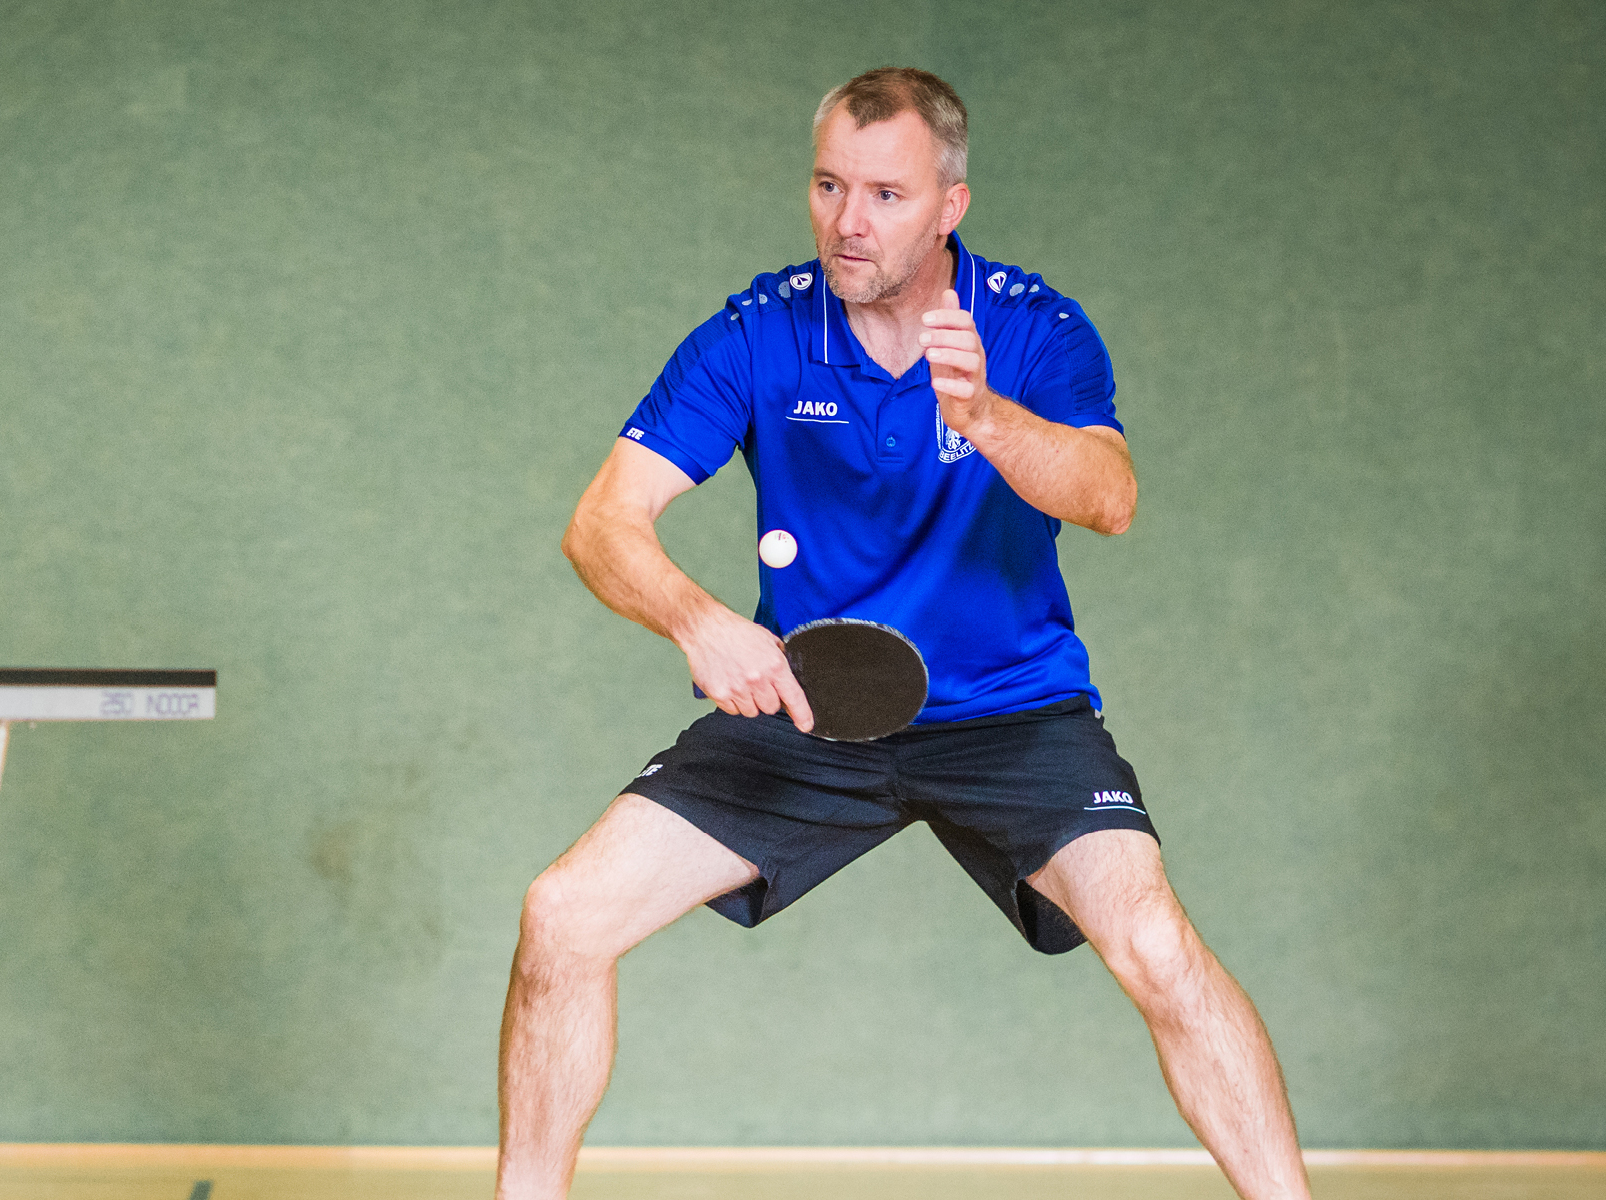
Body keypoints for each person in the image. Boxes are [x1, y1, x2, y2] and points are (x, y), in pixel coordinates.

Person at [497, 67, 1311, 1200]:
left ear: (948, 206)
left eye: (885, 194)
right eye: (829, 185)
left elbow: (1111, 497)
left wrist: (984, 416)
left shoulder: (1032, 328)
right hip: (805, 710)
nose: (849, 220)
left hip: (1014, 713)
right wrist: (700, 621)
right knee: (562, 916)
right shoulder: (759, 332)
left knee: (1158, 948)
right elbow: (601, 524)